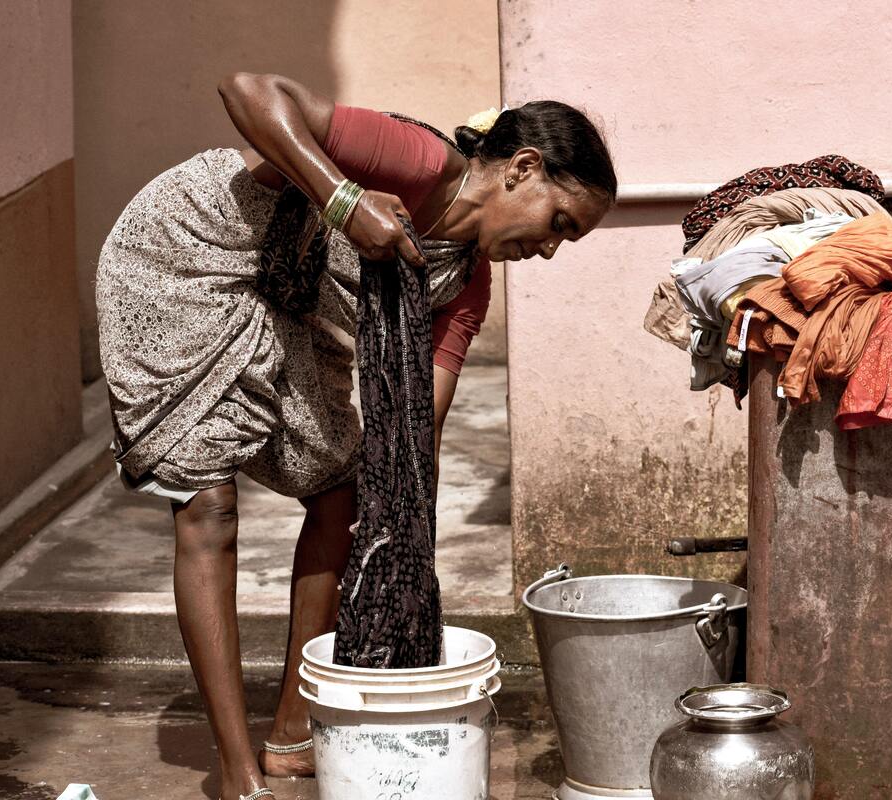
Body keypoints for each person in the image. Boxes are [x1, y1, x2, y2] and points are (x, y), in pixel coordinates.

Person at [95, 71, 616, 800]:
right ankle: (238, 770)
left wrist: (402, 528)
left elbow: (415, 427)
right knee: (208, 507)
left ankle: (290, 735)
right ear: (523, 169)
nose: (552, 250)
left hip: (282, 295)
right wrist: (343, 199)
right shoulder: (420, 161)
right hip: (191, 251)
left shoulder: (464, 286)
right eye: (559, 222)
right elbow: (247, 89)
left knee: (344, 498)